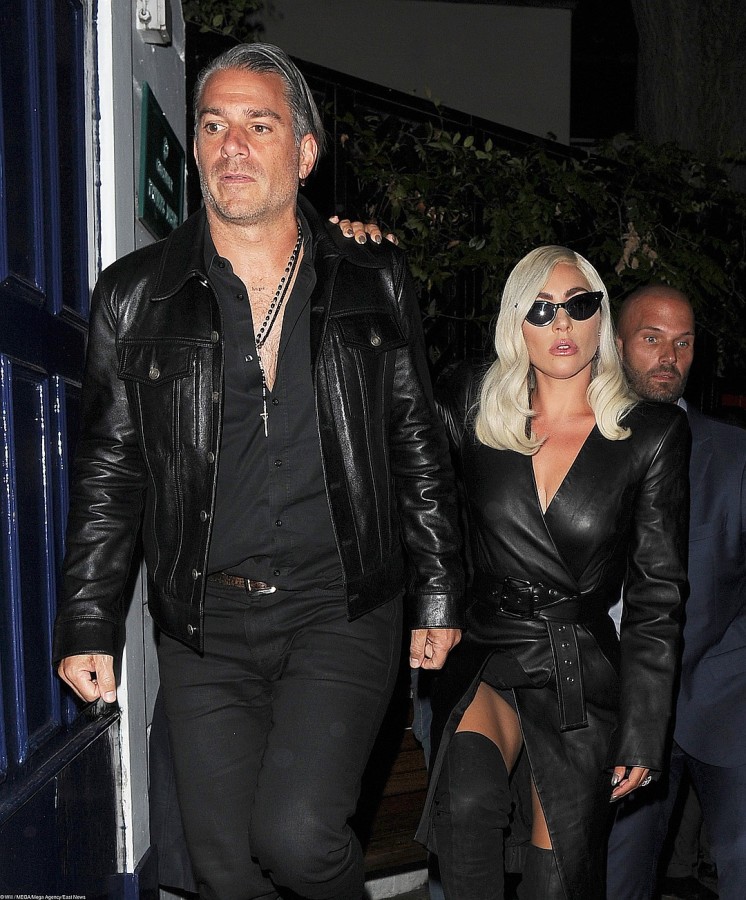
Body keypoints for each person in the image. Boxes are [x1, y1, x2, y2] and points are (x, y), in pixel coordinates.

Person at [52, 43, 464, 900]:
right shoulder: (134, 295)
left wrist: (438, 591)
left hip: (341, 605)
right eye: (213, 125)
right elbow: (109, 469)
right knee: (228, 873)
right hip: (204, 625)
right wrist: (88, 617)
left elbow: (415, 440)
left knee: (299, 835)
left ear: (305, 153)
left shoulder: (372, 275)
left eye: (259, 125)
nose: (231, 146)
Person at [411, 246, 690, 899]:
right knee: (468, 805)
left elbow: (657, 593)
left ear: (601, 319)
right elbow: (419, 492)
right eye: (540, 309)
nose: (561, 323)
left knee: (555, 878)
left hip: (578, 671)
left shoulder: (650, 434)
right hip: (489, 648)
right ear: (517, 322)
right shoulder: (472, 404)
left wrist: (645, 728)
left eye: (578, 305)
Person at [607, 285, 746, 900]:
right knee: (616, 881)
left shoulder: (734, 453)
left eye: (684, 342)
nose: (670, 356)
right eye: (652, 338)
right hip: (618, 711)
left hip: (725, 697)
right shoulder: (576, 446)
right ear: (616, 345)